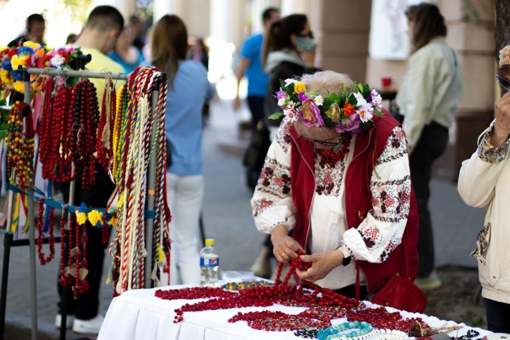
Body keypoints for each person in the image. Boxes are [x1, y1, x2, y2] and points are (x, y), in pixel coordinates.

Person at [251, 70, 419, 298]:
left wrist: (339, 256)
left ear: (348, 125)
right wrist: (279, 235)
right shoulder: (294, 125)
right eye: (309, 140)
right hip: (311, 275)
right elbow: (272, 191)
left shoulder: (385, 136)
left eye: (325, 141)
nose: (316, 148)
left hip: (370, 281)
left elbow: (388, 217)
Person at [55, 5, 125, 335]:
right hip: (95, 167)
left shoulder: (56, 62)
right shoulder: (114, 70)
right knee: (92, 237)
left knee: (70, 230)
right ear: (112, 33)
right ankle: (84, 312)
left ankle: (64, 308)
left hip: (60, 163)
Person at [395, 2, 463, 290]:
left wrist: (403, 146)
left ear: (420, 24)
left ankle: (423, 271)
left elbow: (419, 107)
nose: (408, 30)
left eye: (410, 24)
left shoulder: (427, 54)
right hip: (435, 131)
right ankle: (424, 270)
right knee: (418, 199)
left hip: (421, 133)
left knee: (415, 203)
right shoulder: (446, 51)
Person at [248, 13, 319, 279]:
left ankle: (266, 257)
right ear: (295, 38)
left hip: (280, 144)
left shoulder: (281, 64)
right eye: (309, 34)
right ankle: (270, 257)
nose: (313, 40)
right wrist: (311, 66)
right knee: (285, 203)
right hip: (287, 148)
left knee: (284, 204)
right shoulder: (288, 69)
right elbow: (307, 109)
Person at [150, 14, 214, 285]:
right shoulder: (198, 71)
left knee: (164, 243)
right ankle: (191, 302)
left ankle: (168, 305)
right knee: (187, 241)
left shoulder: (149, 72)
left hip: (160, 170)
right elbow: (209, 96)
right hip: (192, 169)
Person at [457, 41, 510, 333]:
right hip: (502, 284)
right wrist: (497, 137)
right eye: (506, 82)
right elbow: (471, 194)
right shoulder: (503, 125)